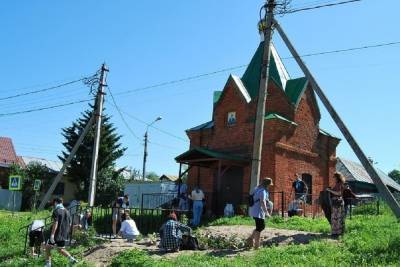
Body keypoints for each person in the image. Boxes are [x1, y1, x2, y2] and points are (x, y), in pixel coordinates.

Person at [45, 197, 78, 267]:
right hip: (63, 234)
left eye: (53, 203)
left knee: (48, 247)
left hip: (56, 234)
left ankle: (48, 264)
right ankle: (72, 260)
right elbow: (69, 224)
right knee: (61, 249)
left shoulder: (56, 211)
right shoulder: (67, 211)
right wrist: (67, 233)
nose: (53, 205)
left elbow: (55, 223)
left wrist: (52, 235)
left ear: (55, 203)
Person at [247, 178, 273, 249]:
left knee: (260, 227)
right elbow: (262, 202)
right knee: (260, 227)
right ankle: (256, 245)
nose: (269, 186)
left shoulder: (257, 188)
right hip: (258, 211)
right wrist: (266, 212)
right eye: (269, 185)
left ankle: (250, 239)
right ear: (267, 185)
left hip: (253, 209)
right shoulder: (263, 191)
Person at [326, 172, 346, 238]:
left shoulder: (339, 184)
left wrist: (330, 190)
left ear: (337, 177)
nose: (333, 178)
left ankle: (337, 233)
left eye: (334, 177)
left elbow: (339, 193)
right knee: (336, 218)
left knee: (337, 218)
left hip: (338, 202)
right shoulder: (338, 184)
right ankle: (336, 232)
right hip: (337, 202)